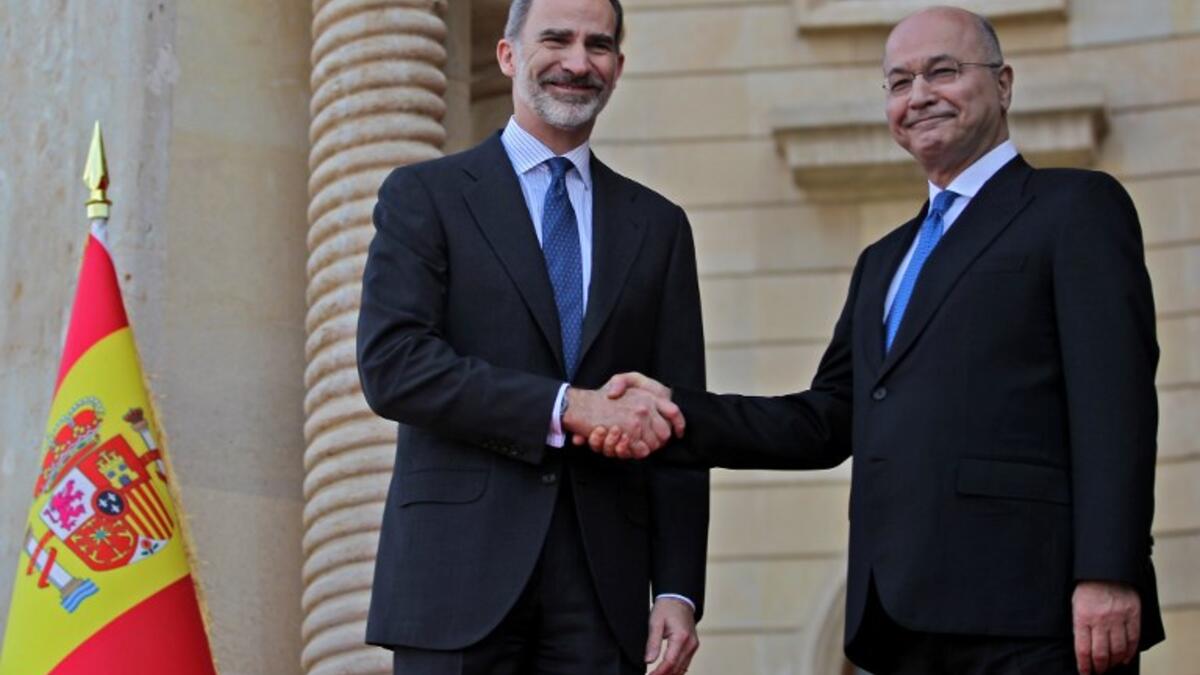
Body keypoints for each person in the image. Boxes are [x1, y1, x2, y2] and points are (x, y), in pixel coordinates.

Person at [584, 6, 1164, 674]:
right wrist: (674, 410)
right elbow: (824, 419)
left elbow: (1114, 400)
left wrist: (1109, 569)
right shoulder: (884, 261)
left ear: (1004, 84)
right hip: (900, 621)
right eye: (898, 82)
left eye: (942, 72)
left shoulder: (1074, 208)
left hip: (1036, 613)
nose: (918, 95)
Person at [355, 0, 709, 672]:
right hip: (455, 576)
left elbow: (677, 419)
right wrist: (566, 405)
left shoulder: (658, 227)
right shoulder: (425, 195)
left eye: (598, 45)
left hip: (604, 588)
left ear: (618, 67)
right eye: (557, 39)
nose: (579, 62)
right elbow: (394, 364)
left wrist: (679, 587)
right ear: (508, 54)